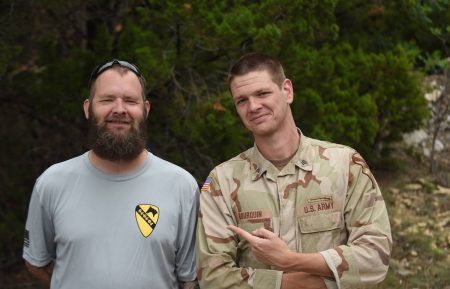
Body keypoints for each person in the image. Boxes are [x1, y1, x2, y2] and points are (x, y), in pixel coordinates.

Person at [196, 53, 392, 289]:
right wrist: (299, 283)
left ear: (287, 90)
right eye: (242, 100)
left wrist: (291, 261)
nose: (254, 106)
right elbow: (213, 277)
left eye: (262, 93)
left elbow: (375, 257)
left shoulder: (345, 164)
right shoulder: (222, 182)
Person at [23, 60, 199, 289]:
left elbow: (189, 278)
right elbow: (37, 262)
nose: (119, 109)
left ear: (145, 110)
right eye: (107, 100)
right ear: (88, 108)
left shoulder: (182, 186)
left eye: (130, 101)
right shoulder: (51, 183)